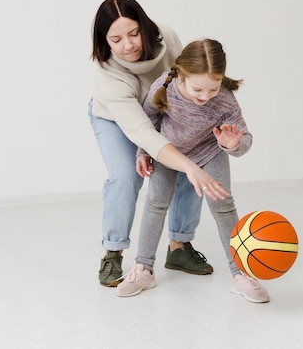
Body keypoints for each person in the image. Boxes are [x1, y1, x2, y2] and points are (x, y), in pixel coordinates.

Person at [89, 0, 229, 287]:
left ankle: (179, 247)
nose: (127, 45)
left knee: (192, 168)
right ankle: (113, 252)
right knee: (125, 177)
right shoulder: (107, 72)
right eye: (116, 39)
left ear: (144, 25)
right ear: (105, 41)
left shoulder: (167, 38)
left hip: (164, 113)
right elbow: (142, 132)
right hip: (117, 120)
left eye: (133, 33)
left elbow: (186, 79)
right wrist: (178, 160)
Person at [116, 38, 270, 303]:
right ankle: (143, 268)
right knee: (156, 203)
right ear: (182, 75)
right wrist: (143, 152)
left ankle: (240, 273)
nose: (205, 96)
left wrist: (231, 144)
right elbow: (147, 122)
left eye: (213, 88)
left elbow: (245, 140)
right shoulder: (164, 86)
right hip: (168, 151)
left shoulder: (225, 100)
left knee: (223, 204)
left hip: (209, 151)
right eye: (198, 88)